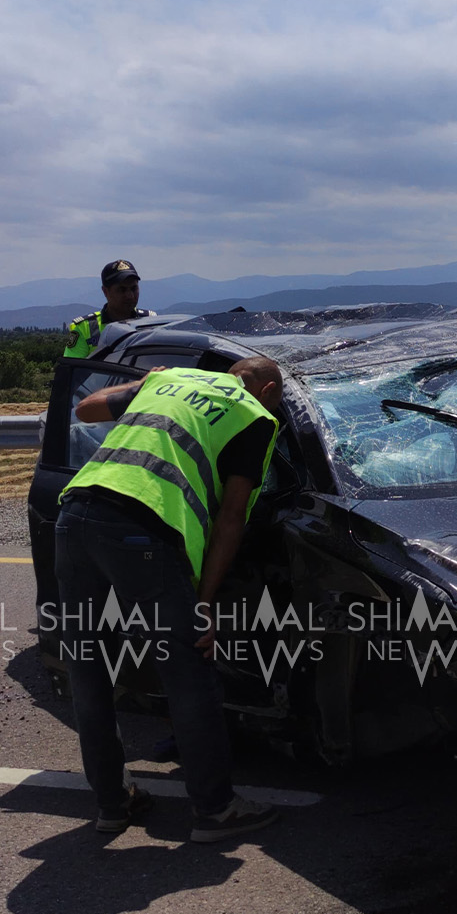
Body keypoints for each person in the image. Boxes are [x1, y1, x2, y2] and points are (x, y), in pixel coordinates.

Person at [53, 357, 287, 839]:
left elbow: (87, 410)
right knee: (189, 668)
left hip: (74, 516)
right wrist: (204, 603)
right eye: (277, 401)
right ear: (266, 390)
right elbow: (231, 517)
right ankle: (216, 809)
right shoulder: (254, 415)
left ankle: (112, 805)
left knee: (88, 668)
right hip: (141, 529)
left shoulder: (170, 379)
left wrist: (146, 381)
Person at [62, 260, 152, 359]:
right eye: (122, 290)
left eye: (134, 288)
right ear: (105, 291)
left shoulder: (151, 322)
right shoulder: (85, 328)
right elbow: (71, 370)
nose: (130, 295)